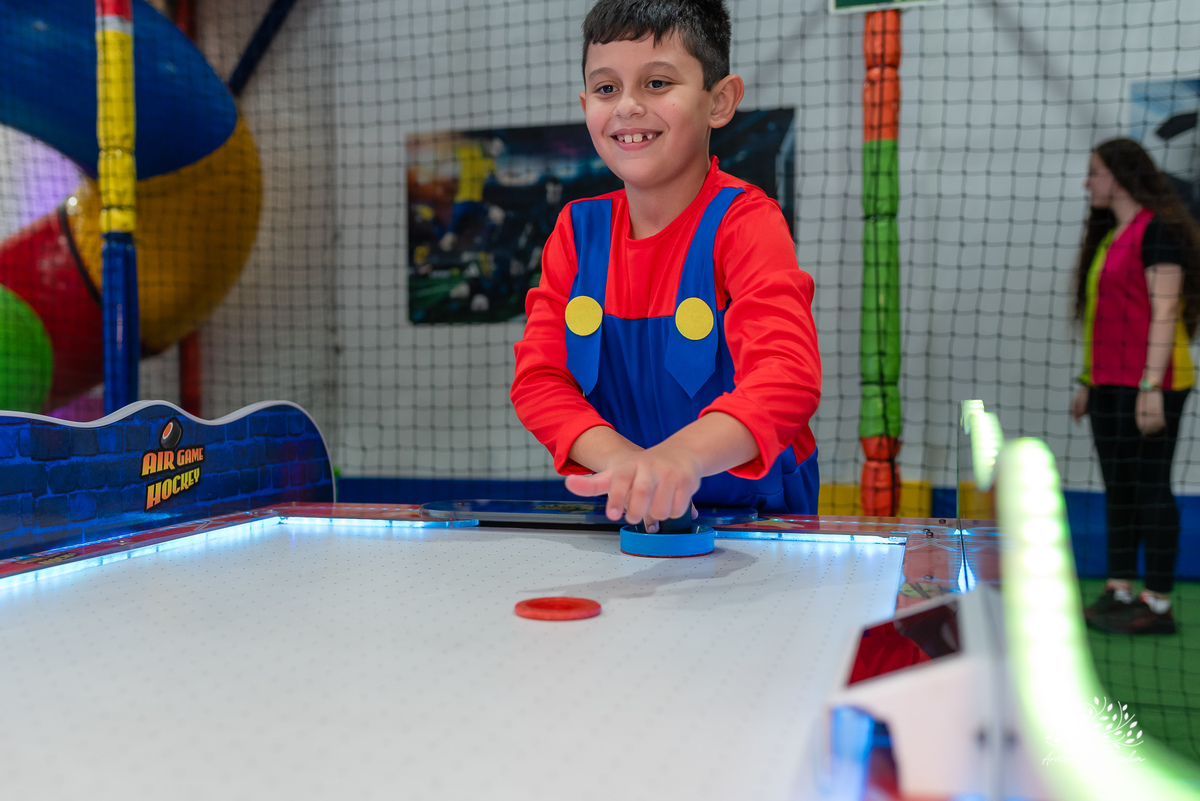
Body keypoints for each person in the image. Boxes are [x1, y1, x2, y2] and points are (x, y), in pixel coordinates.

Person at [511, 0, 820, 531]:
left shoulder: (745, 223)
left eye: (657, 83)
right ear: (586, 104)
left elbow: (785, 375)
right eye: (607, 89)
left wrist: (681, 459)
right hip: (628, 518)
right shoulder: (576, 234)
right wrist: (628, 467)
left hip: (759, 526)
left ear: (719, 101)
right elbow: (540, 379)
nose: (627, 107)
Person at [1070, 137, 1200, 635]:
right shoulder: (1110, 235)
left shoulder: (1158, 232)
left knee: (1150, 489)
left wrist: (1151, 387)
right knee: (1119, 490)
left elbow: (1165, 310)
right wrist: (1087, 382)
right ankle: (1119, 589)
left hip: (1155, 382)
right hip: (1109, 384)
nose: (1089, 182)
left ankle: (1159, 603)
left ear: (1120, 177)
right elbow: (1105, 321)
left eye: (1095, 171)